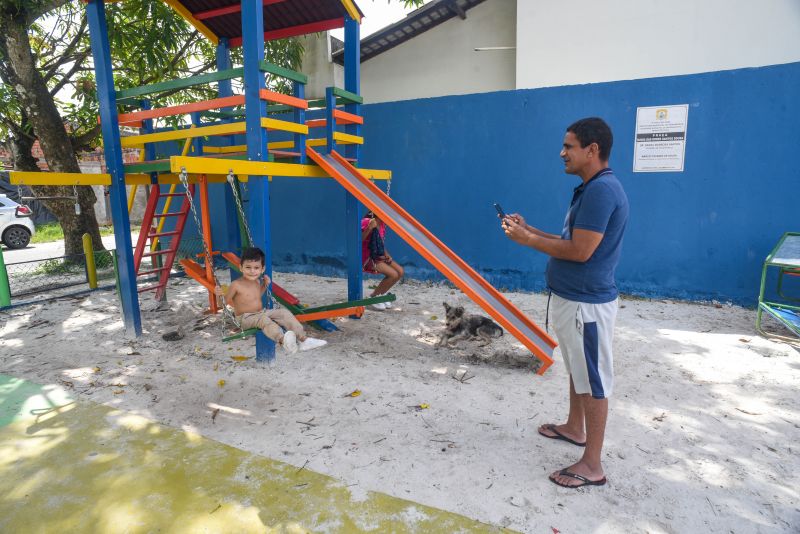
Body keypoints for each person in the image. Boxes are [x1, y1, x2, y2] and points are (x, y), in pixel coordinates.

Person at [501, 117, 628, 489]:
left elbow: (580, 250)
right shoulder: (589, 189)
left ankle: (592, 465)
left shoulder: (602, 190)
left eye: (569, 146)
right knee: (578, 370)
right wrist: (530, 230)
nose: (562, 153)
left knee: (595, 381)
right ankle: (575, 428)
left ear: (592, 150)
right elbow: (567, 238)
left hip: (586, 306)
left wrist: (527, 241)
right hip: (574, 301)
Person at [214, 247, 327, 353]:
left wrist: (265, 285)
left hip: (260, 312)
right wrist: (218, 295)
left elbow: (257, 296)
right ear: (241, 267)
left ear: (262, 269)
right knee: (264, 321)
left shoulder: (257, 281)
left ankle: (303, 340)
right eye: (248, 267)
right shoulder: (236, 285)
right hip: (245, 318)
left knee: (283, 313)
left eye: (256, 268)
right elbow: (221, 304)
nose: (252, 271)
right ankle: (283, 340)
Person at [361, 211, 404, 309]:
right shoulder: (366, 221)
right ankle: (373, 298)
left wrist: (386, 254)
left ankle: (380, 295)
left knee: (400, 271)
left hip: (378, 256)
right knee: (393, 274)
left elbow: (379, 242)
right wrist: (369, 228)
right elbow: (358, 240)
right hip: (368, 258)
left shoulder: (383, 224)